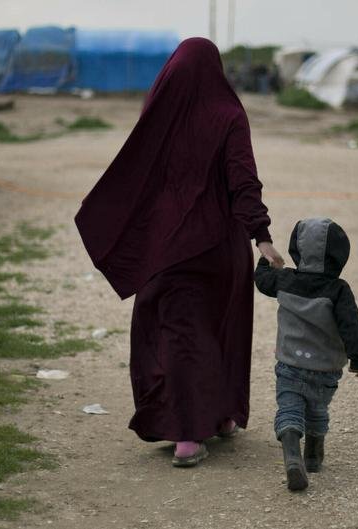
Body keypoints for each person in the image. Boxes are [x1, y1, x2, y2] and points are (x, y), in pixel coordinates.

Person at [74, 38, 284, 467]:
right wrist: (261, 237)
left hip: (166, 248)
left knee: (176, 336)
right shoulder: (228, 113)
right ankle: (221, 417)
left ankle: (187, 435)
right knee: (219, 329)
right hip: (220, 249)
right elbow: (244, 179)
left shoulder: (159, 113)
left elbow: (133, 176)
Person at [253, 217, 358, 491]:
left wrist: (266, 260)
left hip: (290, 364)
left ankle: (292, 452)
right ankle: (314, 455)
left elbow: (261, 280)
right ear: (340, 254)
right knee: (317, 409)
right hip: (326, 369)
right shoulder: (339, 290)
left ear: (297, 251)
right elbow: (351, 325)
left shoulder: (285, 280)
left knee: (290, 408)